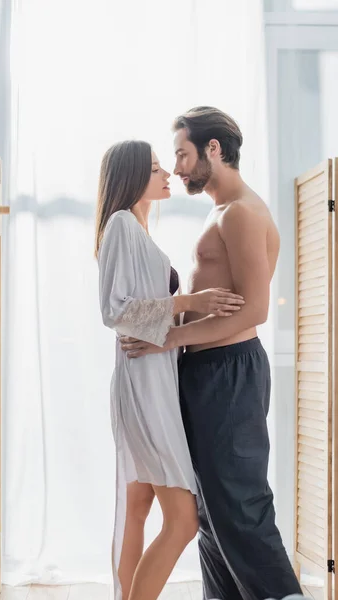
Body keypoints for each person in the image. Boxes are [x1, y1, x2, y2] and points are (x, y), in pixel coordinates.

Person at [120, 108, 303, 600]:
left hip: (230, 372)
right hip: (205, 373)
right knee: (210, 513)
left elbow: (256, 310)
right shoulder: (220, 211)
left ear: (213, 149)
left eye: (182, 154)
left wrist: (166, 337)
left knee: (240, 505)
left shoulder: (242, 211)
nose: (176, 167)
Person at [95, 139, 245, 600]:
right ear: (133, 175)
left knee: (138, 504)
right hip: (145, 384)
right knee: (182, 520)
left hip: (151, 376)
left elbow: (139, 310)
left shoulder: (137, 229)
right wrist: (191, 302)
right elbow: (114, 310)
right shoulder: (122, 224)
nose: (167, 176)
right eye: (156, 168)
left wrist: (184, 317)